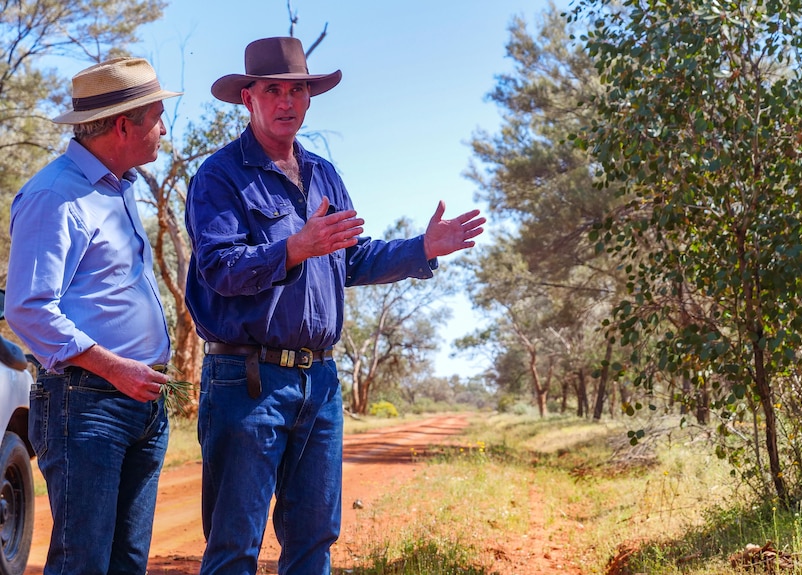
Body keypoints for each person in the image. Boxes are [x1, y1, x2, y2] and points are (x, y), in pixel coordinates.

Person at [184, 36, 485, 575]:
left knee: (314, 540)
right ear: (247, 98)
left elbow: (351, 261)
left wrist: (422, 248)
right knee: (234, 545)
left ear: (309, 99)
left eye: (297, 91)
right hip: (246, 381)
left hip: (320, 384)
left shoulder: (324, 174)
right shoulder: (219, 176)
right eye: (273, 90)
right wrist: (295, 246)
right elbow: (219, 268)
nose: (286, 102)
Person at [5, 57, 181, 575]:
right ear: (124, 125)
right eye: (156, 115)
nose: (164, 128)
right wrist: (115, 368)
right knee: (83, 562)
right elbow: (28, 308)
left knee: (127, 562)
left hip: (137, 402)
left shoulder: (118, 188)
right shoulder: (54, 194)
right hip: (86, 403)